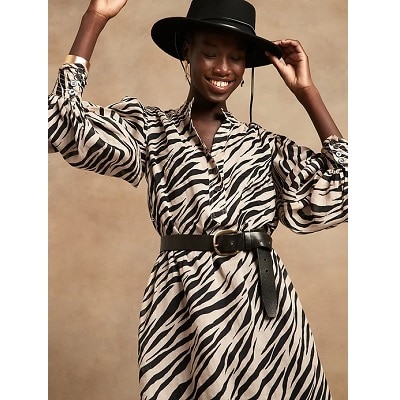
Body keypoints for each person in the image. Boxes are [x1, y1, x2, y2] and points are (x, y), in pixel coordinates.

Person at [48, 0, 348, 398]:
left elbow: (348, 185)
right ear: (186, 51)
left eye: (236, 58)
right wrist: (94, 19)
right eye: (210, 52)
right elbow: (61, 124)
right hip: (181, 305)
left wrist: (307, 92)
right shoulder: (151, 129)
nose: (223, 68)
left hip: (262, 308)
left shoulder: (264, 146)